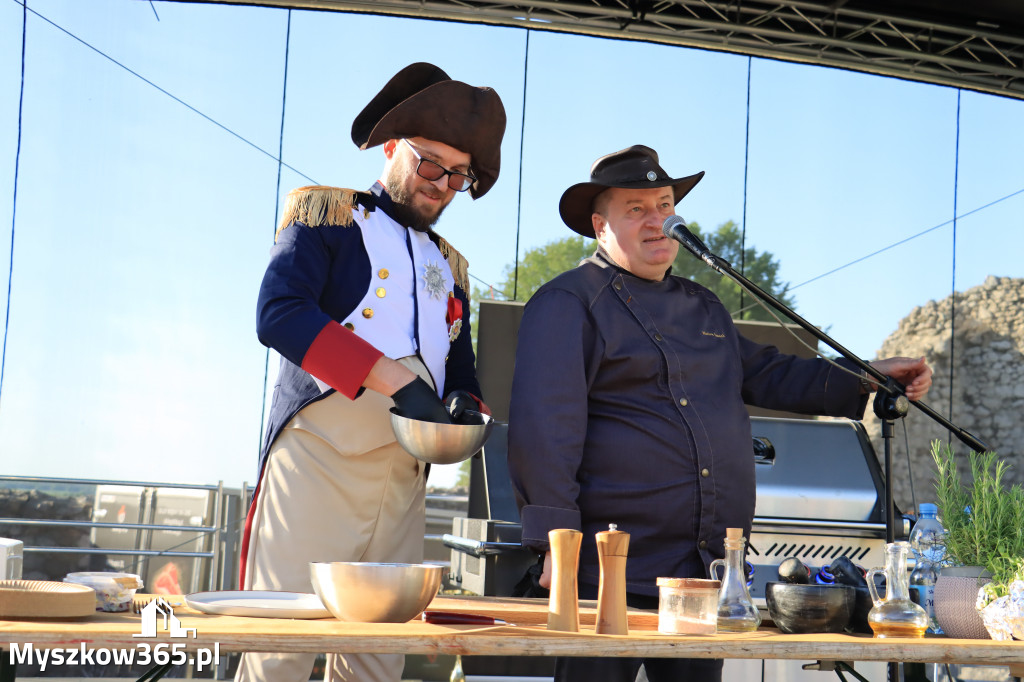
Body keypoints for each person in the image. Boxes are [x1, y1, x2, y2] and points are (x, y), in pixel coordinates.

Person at [506, 145, 932, 682]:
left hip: (703, 569)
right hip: (609, 567)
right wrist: (555, 547)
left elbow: (773, 373)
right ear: (599, 225)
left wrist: (868, 375)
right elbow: (545, 430)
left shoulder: (703, 306)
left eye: (664, 204)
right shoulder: (568, 302)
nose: (658, 220)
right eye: (636, 209)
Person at [237, 63, 505, 682]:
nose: (441, 183)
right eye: (429, 163)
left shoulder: (449, 264)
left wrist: (465, 402)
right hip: (319, 459)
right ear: (392, 147)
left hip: (406, 474)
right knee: (282, 645)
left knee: (379, 655)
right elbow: (278, 315)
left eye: (458, 175)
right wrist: (396, 380)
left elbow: (459, 363)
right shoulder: (328, 216)